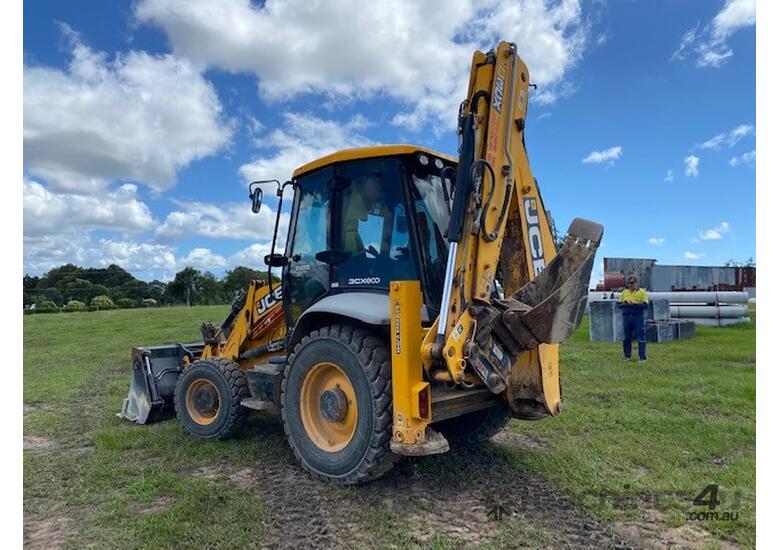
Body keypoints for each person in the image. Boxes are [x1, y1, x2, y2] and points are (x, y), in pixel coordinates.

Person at [618, 274, 649, 361]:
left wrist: (633, 305)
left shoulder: (642, 292)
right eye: (628, 283)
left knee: (640, 337)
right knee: (626, 337)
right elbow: (619, 305)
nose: (630, 285)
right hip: (627, 316)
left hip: (637, 316)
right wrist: (625, 304)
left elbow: (645, 305)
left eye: (632, 283)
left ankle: (642, 357)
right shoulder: (624, 293)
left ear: (636, 283)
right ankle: (627, 355)